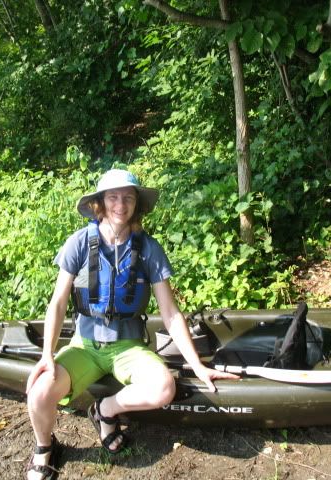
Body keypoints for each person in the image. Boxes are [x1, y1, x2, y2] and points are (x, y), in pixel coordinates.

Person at [25, 169, 238, 480]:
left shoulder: (149, 249)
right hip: (85, 345)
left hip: (128, 347)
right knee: (40, 392)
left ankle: (105, 410)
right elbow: (57, 303)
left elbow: (171, 313)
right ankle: (45, 446)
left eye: (128, 197)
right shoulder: (79, 244)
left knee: (164, 388)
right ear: (100, 203)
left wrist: (198, 365)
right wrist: (47, 356)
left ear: (136, 203)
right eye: (112, 197)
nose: (120, 204)